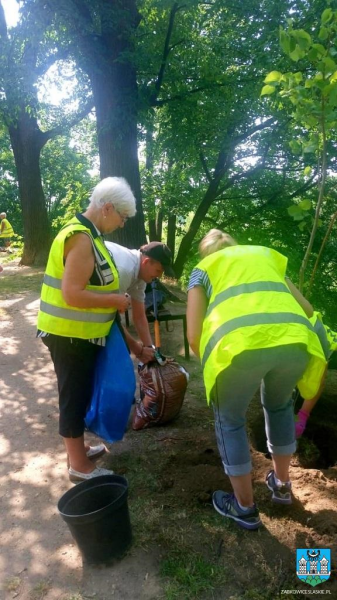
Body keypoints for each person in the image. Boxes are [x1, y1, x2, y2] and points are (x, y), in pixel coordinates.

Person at [186, 229, 327, 530]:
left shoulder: (202, 271)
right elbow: (307, 309)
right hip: (295, 340)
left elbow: (193, 335)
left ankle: (244, 507)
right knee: (279, 406)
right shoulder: (266, 258)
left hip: (239, 347)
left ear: (206, 254)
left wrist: (214, 370)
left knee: (229, 418)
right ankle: (282, 485)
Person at [37, 177, 136, 482]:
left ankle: (77, 452)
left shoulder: (90, 236)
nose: (122, 223)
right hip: (69, 336)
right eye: (122, 216)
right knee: (74, 396)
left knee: (78, 393)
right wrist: (115, 300)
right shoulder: (80, 238)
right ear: (107, 208)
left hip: (78, 335)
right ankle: (78, 466)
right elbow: (73, 294)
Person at [105, 241, 175, 363]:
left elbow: (139, 316)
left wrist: (151, 351)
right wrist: (138, 350)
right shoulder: (125, 270)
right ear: (146, 262)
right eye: (158, 270)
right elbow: (111, 318)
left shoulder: (141, 276)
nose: (158, 276)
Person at [295, 313, 337, 438]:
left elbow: (319, 380)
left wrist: (302, 417)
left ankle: (303, 417)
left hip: (329, 347)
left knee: (316, 377)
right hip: (310, 338)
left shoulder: (315, 339)